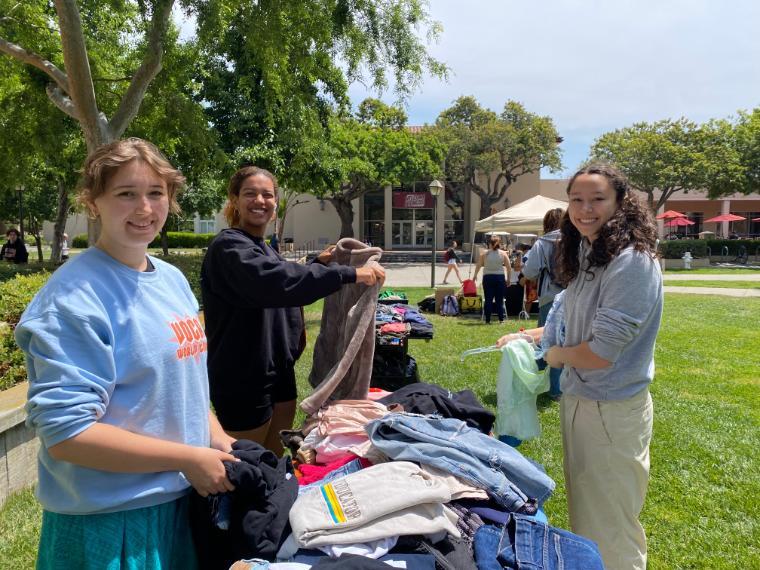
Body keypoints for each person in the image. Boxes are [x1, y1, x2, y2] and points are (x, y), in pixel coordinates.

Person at [16, 138, 236, 569]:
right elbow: (67, 435)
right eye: (125, 194)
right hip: (112, 521)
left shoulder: (170, 278)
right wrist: (188, 458)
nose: (144, 209)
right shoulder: (72, 300)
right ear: (93, 202)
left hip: (180, 502)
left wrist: (216, 437)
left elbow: (180, 385)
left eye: (156, 193)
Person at [496, 164, 662, 570]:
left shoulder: (631, 262)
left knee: (610, 527)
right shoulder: (593, 251)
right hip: (582, 399)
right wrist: (532, 338)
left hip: (610, 410)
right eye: (577, 200)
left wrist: (555, 357)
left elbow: (601, 351)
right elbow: (572, 317)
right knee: (587, 518)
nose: (585, 209)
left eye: (598, 199)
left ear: (622, 203)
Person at [201, 166, 385, 455]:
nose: (259, 200)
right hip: (243, 376)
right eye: (250, 193)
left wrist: (318, 264)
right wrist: (349, 273)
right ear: (234, 200)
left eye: (267, 194)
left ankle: (269, 496)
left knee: (273, 455)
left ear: (275, 205)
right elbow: (275, 281)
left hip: (278, 371)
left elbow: (284, 273)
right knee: (243, 460)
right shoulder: (228, 247)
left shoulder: (263, 248)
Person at [522, 207, 565, 397]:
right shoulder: (579, 239)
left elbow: (529, 271)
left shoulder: (543, 243)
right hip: (576, 296)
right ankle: (562, 387)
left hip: (550, 297)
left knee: (549, 341)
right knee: (570, 342)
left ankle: (552, 387)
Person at [473, 236, 510, 323]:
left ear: (489, 244)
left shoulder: (484, 253)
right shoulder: (503, 253)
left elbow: (478, 265)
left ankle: (488, 320)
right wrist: (508, 279)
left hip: (488, 278)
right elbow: (508, 267)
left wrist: (475, 275)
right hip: (500, 278)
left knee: (488, 299)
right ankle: (501, 319)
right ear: (499, 244)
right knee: (499, 300)